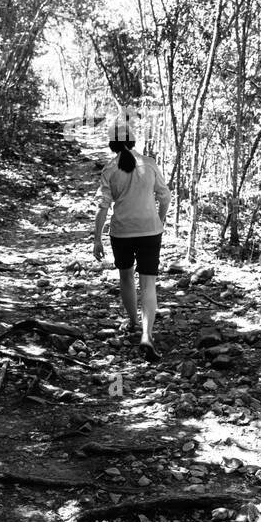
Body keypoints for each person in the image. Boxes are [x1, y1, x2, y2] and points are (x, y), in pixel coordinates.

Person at [92, 109, 171, 362]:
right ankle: (147, 335)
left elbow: (103, 206)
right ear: (133, 140)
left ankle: (133, 322)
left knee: (126, 276)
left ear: (112, 143)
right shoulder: (149, 163)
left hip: (122, 232)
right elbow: (165, 195)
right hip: (150, 230)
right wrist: (161, 218)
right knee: (149, 283)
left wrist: (97, 238)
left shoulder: (109, 170)